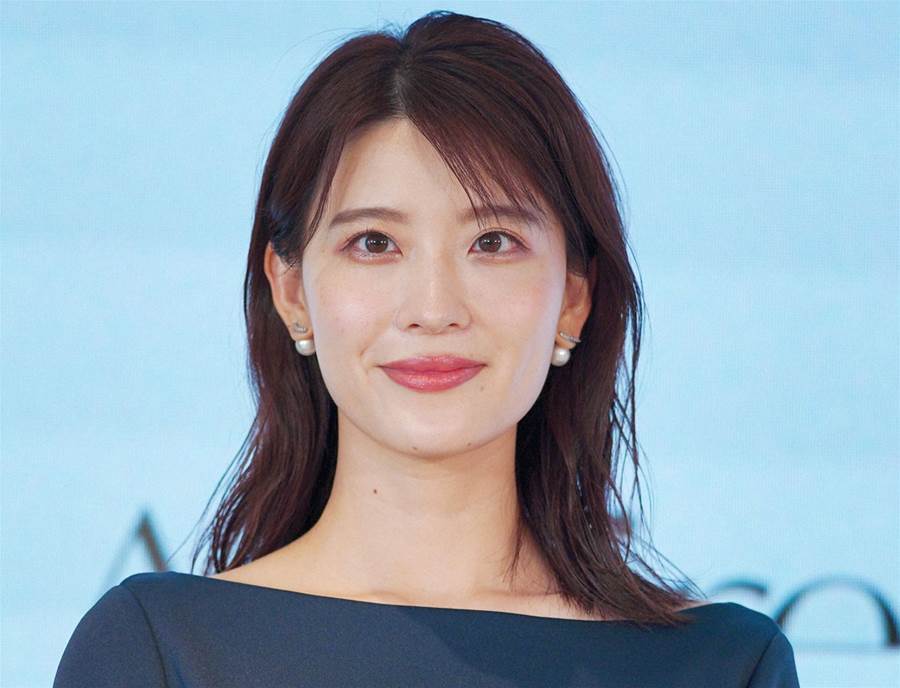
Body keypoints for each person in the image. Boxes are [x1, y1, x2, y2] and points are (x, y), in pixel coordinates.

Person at [53, 10, 800, 687]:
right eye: (374, 243)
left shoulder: (722, 667)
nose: (435, 309)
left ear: (574, 297)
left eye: (493, 242)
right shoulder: (160, 651)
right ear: (291, 292)